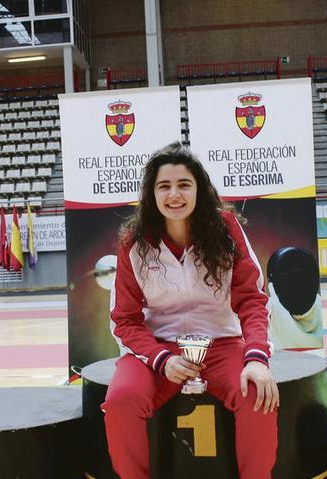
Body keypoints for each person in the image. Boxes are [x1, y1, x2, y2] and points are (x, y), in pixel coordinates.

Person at [103, 142, 279, 479]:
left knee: (258, 394)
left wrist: (256, 359)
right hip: (159, 349)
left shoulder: (225, 229)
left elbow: (252, 299)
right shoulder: (133, 243)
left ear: (199, 189)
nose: (174, 195)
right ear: (151, 194)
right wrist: (161, 358)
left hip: (221, 345)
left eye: (184, 184)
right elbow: (124, 320)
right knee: (121, 401)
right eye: (164, 186)